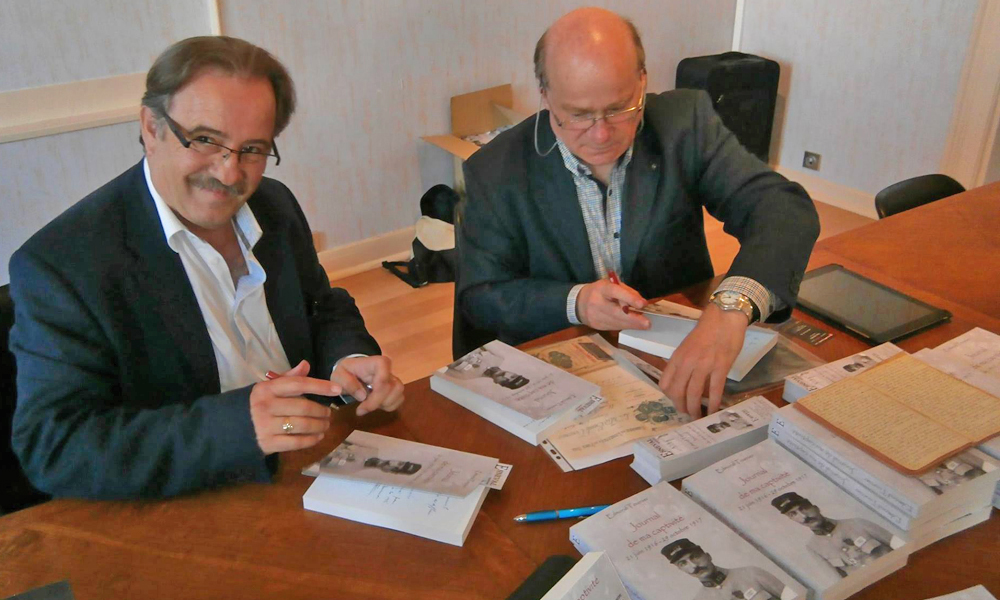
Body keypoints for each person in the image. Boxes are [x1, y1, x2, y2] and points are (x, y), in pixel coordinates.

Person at [8, 36, 404, 500]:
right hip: (189, 499)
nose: (230, 173)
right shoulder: (62, 265)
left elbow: (322, 306)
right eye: (205, 140)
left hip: (313, 465)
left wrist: (349, 360)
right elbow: (54, 446)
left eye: (252, 149)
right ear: (151, 127)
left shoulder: (275, 204)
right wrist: (238, 427)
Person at [456, 7, 819, 418]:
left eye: (619, 108)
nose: (601, 133)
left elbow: (782, 209)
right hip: (561, 373)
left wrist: (732, 306)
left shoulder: (686, 124)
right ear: (545, 95)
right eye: (577, 114)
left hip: (674, 360)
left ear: (642, 80)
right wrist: (576, 301)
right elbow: (482, 296)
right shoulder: (496, 169)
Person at [662, 538, 788, 600]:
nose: (694, 566)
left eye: (695, 557)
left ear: (708, 555)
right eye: (683, 563)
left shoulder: (751, 572)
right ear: (681, 570)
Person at [771, 492, 896, 576]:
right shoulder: (813, 548)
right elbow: (838, 582)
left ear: (815, 507)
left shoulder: (858, 523)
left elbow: (900, 544)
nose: (803, 517)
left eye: (804, 508)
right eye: (793, 514)